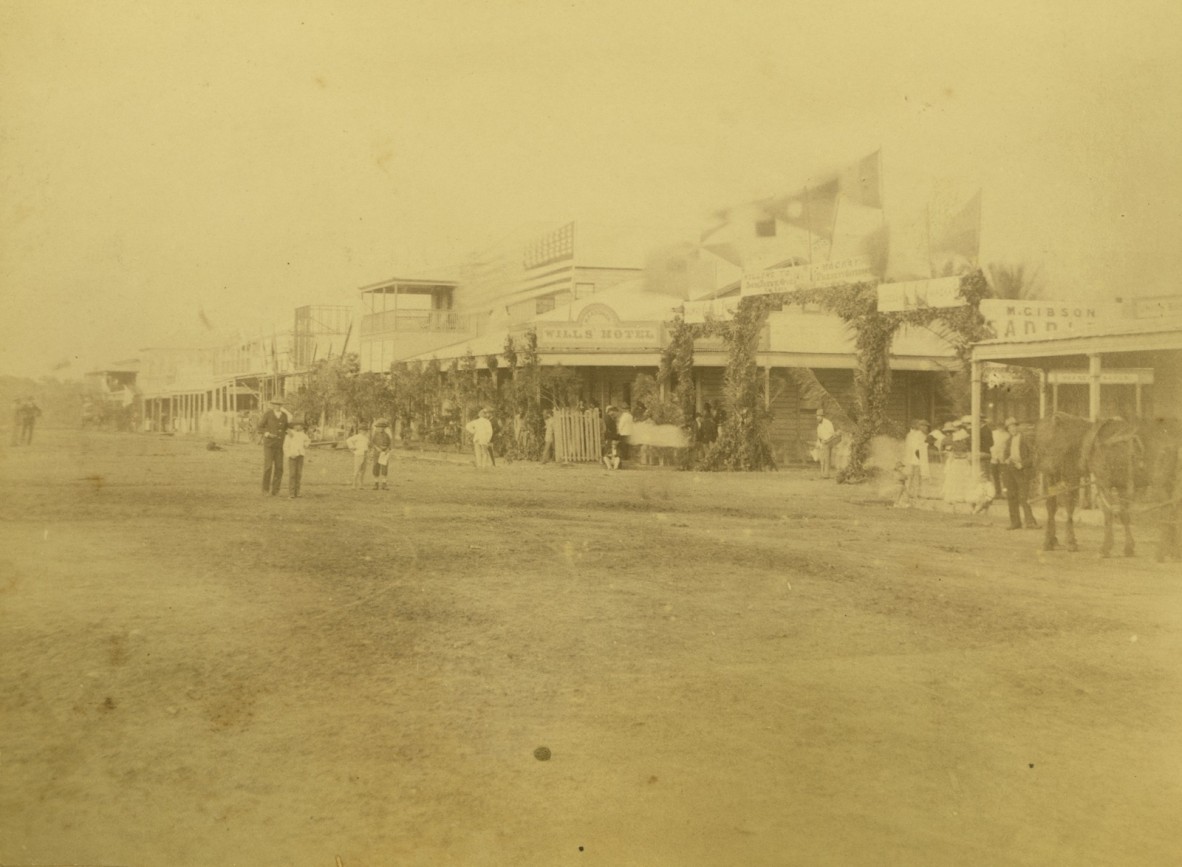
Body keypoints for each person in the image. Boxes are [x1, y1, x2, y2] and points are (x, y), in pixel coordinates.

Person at [1003, 417, 1039, 530]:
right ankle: (1015, 522)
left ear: (1017, 427)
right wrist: (1007, 459)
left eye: (1013, 426)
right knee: (1011, 496)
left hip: (1022, 470)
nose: (1012, 429)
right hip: (1010, 470)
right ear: (1007, 430)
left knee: (1023, 497)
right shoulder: (1008, 441)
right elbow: (1005, 455)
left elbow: (1033, 456)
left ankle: (1030, 522)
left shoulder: (1025, 439)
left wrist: (1022, 464)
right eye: (1009, 428)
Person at [257, 398, 289, 495]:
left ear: (281, 406)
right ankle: (265, 489)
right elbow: (259, 427)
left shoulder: (284, 415)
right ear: (272, 405)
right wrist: (267, 434)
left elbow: (286, 427)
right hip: (269, 445)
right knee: (268, 467)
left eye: (279, 405)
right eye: (275, 404)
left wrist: (289, 431)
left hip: (280, 445)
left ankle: (275, 490)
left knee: (279, 467)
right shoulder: (268, 414)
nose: (277, 406)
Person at [897, 419, 931, 506]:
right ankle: (910, 497)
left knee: (915, 479)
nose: (926, 428)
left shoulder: (919, 435)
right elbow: (914, 449)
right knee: (913, 478)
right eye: (924, 426)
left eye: (927, 426)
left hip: (916, 460)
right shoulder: (917, 435)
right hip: (915, 460)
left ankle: (912, 496)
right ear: (920, 427)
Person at [283, 420, 311, 498]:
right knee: (292, 474)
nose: (299, 427)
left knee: (299, 474)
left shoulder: (303, 434)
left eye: (300, 425)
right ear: (293, 426)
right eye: (297, 425)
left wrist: (305, 444)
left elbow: (308, 440)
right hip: (292, 456)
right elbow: (285, 446)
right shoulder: (289, 434)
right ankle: (291, 493)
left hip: (300, 455)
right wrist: (289, 454)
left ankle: (297, 492)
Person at [988, 418, 1011, 499]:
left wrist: (1004, 457)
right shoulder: (993, 433)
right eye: (999, 425)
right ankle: (998, 493)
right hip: (993, 458)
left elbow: (1007, 448)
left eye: (1002, 425)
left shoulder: (1007, 435)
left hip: (1003, 459)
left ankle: (1005, 492)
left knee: (1004, 477)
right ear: (996, 426)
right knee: (995, 476)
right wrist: (992, 454)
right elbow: (990, 445)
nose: (1000, 427)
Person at [345, 424, 371, 489]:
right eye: (363, 430)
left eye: (365, 430)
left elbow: (367, 445)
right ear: (360, 430)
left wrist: (368, 452)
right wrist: (352, 448)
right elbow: (348, 440)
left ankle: (361, 485)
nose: (365, 431)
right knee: (356, 470)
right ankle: (353, 485)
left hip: (365, 454)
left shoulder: (366, 438)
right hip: (358, 454)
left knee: (363, 471)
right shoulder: (357, 436)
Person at [815, 408, 838, 479]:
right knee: (822, 458)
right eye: (817, 416)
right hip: (823, 442)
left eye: (819, 416)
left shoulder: (828, 423)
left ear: (822, 416)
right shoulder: (819, 425)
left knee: (826, 458)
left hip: (829, 441)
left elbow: (832, 433)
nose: (818, 417)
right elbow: (819, 435)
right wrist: (819, 443)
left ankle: (826, 474)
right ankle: (823, 473)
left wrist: (826, 440)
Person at [371, 418, 394, 489]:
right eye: (379, 427)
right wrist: (377, 448)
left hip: (384, 453)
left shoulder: (387, 435)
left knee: (384, 467)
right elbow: (372, 443)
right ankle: (376, 483)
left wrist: (387, 449)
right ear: (377, 428)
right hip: (377, 453)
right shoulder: (375, 435)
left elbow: (390, 443)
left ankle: (384, 483)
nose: (380, 429)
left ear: (384, 428)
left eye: (382, 427)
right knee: (376, 467)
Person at [602, 405, 621, 469]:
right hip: (609, 435)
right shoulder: (607, 417)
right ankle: (609, 463)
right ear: (609, 411)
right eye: (612, 411)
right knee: (609, 447)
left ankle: (614, 463)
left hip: (611, 435)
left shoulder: (610, 417)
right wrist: (616, 434)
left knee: (613, 448)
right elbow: (610, 427)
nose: (613, 413)